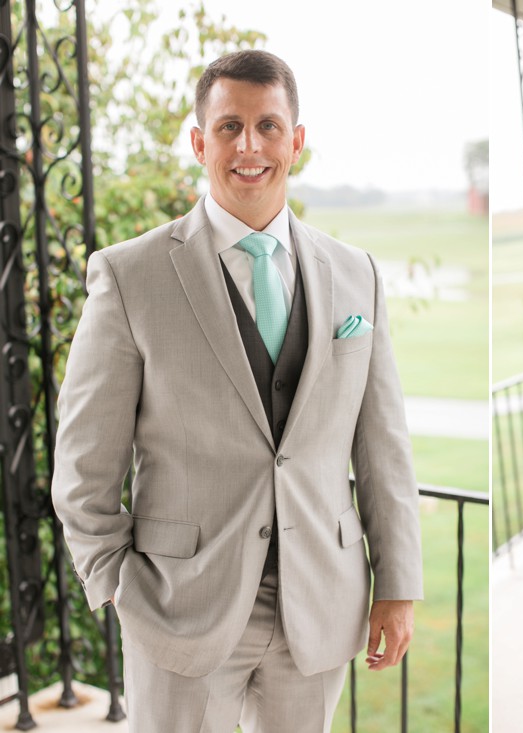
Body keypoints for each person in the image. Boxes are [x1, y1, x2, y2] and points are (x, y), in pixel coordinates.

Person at [52, 49, 423, 733]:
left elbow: (384, 449)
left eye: (268, 126)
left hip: (320, 604)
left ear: (296, 142)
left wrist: (397, 586)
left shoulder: (356, 275)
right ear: (200, 142)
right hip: (178, 610)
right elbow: (83, 460)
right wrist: (113, 580)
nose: (249, 146)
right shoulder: (130, 276)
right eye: (229, 127)